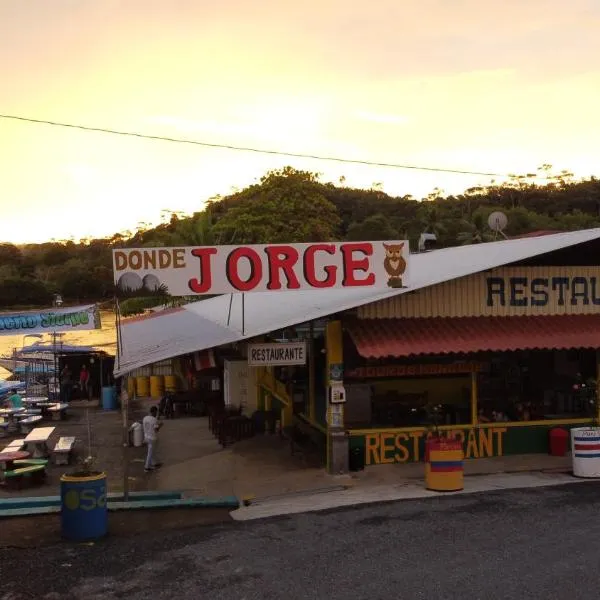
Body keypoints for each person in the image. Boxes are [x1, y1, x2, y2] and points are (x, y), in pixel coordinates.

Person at [142, 406, 163, 472]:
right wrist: (160, 425)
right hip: (152, 438)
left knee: (152, 451)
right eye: (156, 412)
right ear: (154, 412)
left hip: (146, 437)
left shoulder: (145, 418)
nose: (156, 414)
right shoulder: (154, 420)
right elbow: (156, 430)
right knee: (150, 452)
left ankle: (154, 463)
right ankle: (146, 467)